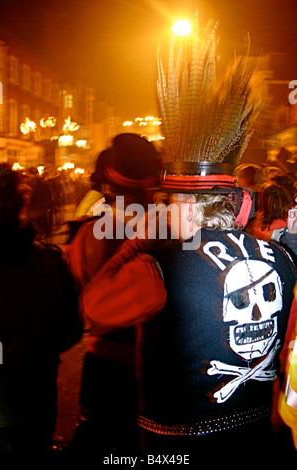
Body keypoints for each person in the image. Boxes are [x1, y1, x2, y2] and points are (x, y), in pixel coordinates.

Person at [76, 13, 297, 458]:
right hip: (256, 442)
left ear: (190, 206)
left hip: (177, 448)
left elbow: (93, 308)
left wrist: (142, 240)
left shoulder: (159, 268)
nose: (164, 210)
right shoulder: (281, 258)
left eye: (170, 203)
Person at [65, 133, 163, 452]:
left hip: (105, 368)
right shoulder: (173, 232)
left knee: (103, 443)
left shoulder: (90, 233)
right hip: (156, 365)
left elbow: (77, 297)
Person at [0, 163, 83, 451]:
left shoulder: (49, 260)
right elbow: (71, 328)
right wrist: (35, 351)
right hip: (36, 385)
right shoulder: (49, 261)